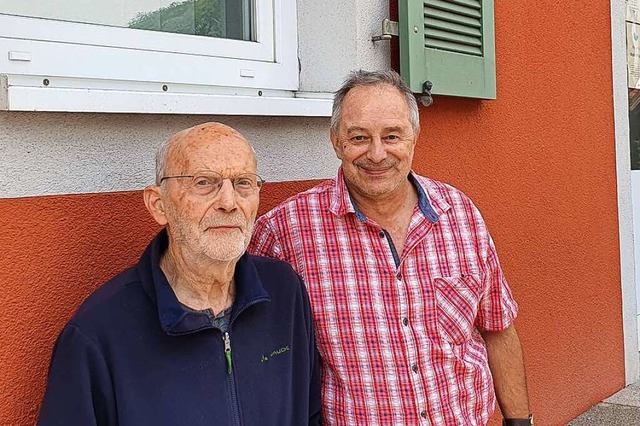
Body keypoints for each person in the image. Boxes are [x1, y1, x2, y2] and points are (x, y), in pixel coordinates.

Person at [249, 70, 532, 426]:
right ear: (336, 141)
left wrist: (520, 421)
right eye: (359, 137)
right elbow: (254, 352)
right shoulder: (284, 231)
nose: (377, 153)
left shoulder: (459, 213)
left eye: (392, 135)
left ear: (414, 136)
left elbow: (498, 326)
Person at [38, 122, 321, 426]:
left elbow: (309, 414)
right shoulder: (97, 333)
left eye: (243, 183)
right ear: (159, 205)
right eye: (204, 182)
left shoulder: (284, 291)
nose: (229, 202)